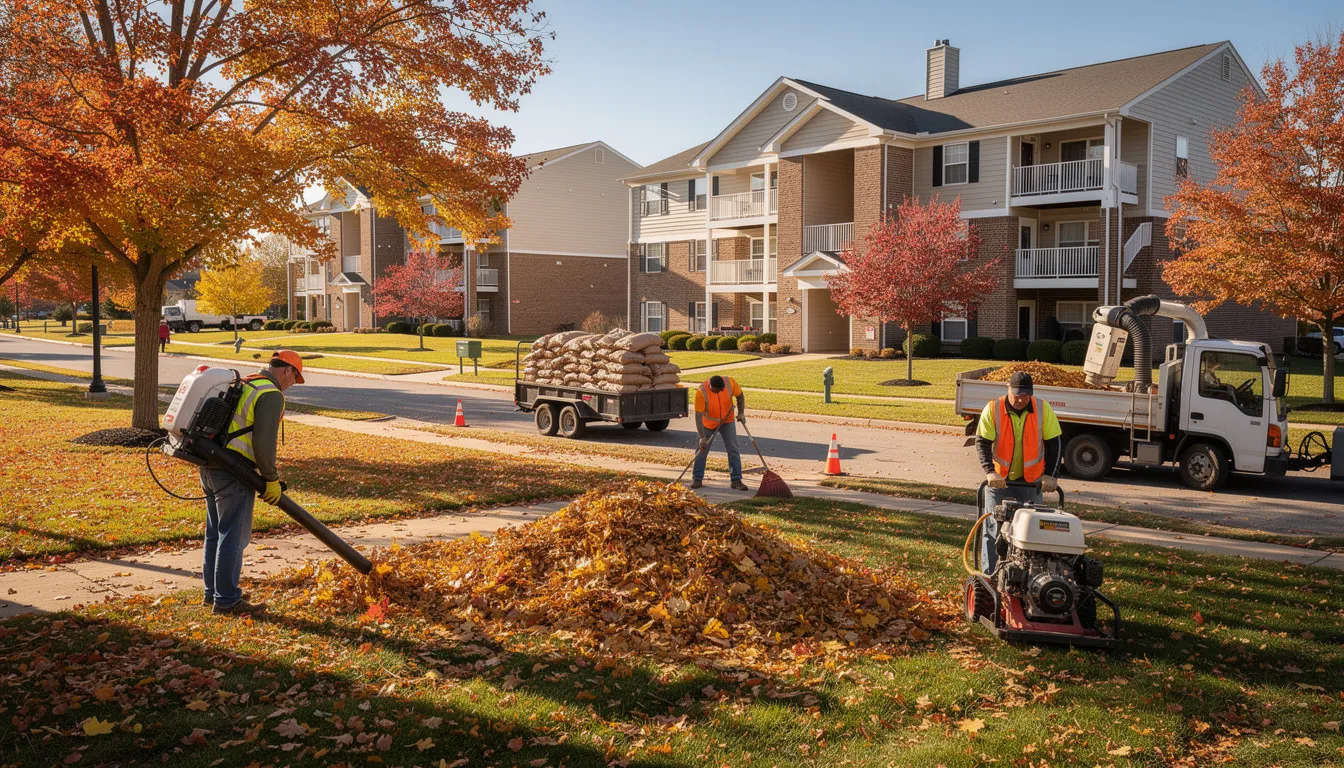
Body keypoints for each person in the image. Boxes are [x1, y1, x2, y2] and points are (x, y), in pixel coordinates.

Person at [200, 350, 305, 615]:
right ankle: (226, 601)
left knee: (216, 533)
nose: (294, 383)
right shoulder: (270, 394)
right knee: (233, 536)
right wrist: (271, 478)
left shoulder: (247, 382)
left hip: (211, 464)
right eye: (296, 377)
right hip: (234, 472)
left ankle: (212, 594)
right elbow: (264, 442)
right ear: (286, 370)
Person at [974, 372, 1063, 573]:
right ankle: (991, 575)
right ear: (1008, 389)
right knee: (993, 530)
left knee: (1031, 530)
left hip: (1031, 482)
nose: (1021, 400)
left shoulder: (1042, 409)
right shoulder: (993, 408)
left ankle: (1027, 575)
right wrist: (990, 472)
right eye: (1017, 395)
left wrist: (1051, 474)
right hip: (1000, 481)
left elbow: (1054, 443)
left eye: (1025, 395)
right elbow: (983, 442)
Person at [691, 374, 749, 491]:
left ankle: (736, 480)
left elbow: (740, 396)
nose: (718, 392)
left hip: (727, 420)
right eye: (716, 390)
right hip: (708, 424)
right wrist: (702, 437)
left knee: (733, 448)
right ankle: (697, 479)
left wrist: (741, 412)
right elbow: (698, 417)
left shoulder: (730, 383)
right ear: (711, 386)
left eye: (721, 390)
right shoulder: (701, 392)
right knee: (702, 450)